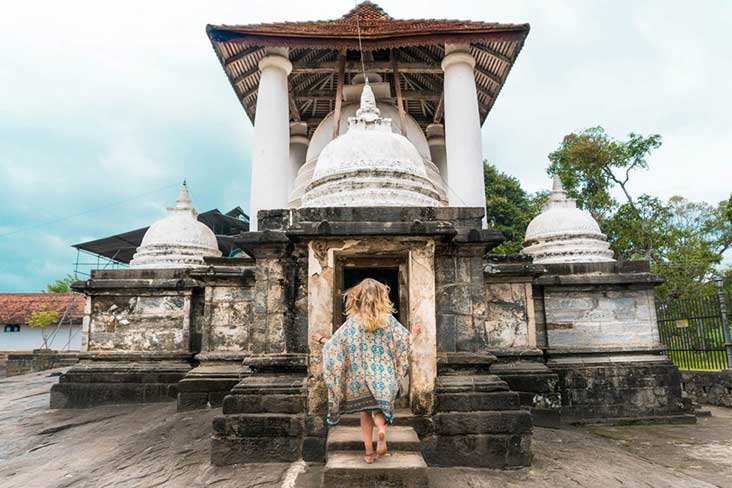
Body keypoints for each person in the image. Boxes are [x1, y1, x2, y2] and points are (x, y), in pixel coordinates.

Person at [311, 278, 422, 464]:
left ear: (358, 298)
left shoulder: (353, 322)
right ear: (381, 297)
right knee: (380, 410)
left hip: (361, 378)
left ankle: (369, 454)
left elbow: (336, 346)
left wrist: (322, 339)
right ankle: (382, 430)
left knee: (364, 414)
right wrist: (415, 334)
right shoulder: (388, 321)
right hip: (383, 377)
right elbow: (403, 343)